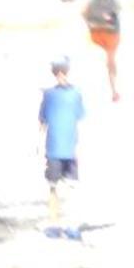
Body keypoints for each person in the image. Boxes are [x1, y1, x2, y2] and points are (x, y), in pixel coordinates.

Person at [38, 55, 85, 238]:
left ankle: (58, 225)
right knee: (63, 187)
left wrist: (36, 145)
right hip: (64, 148)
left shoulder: (49, 95)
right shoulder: (74, 94)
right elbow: (79, 117)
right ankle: (66, 226)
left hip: (57, 149)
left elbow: (42, 122)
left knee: (55, 187)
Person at [83, 0, 121, 101]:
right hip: (107, 29)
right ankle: (113, 89)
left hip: (102, 29)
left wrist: (89, 23)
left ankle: (114, 90)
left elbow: (85, 11)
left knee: (109, 60)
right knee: (110, 60)